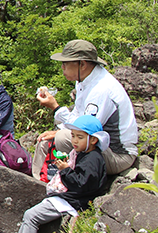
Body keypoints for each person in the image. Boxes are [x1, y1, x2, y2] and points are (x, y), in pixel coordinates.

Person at [33, 40, 138, 178]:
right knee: (47, 140)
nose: (62, 67)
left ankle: (76, 180)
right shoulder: (85, 80)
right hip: (101, 146)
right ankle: (38, 182)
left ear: (82, 64)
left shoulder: (101, 89)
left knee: (61, 138)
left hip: (118, 155)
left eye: (65, 63)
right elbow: (79, 112)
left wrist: (55, 107)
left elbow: (86, 129)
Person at [15, 115, 109, 233]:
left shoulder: (92, 160)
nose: (74, 141)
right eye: (73, 136)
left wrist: (65, 170)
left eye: (80, 137)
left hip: (74, 201)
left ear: (94, 139)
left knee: (31, 216)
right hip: (73, 198)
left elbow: (81, 184)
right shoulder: (84, 154)